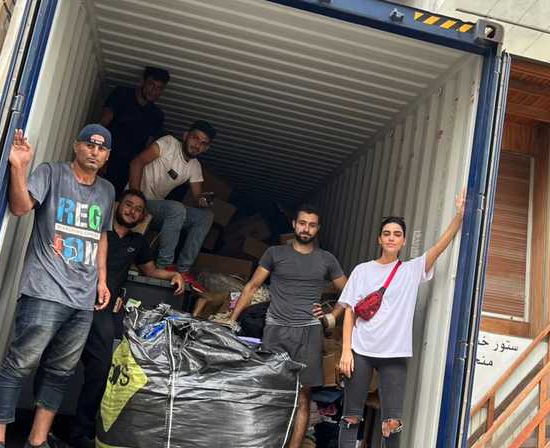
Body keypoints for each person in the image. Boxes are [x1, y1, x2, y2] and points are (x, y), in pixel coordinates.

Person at [0, 125, 116, 448]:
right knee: (21, 363)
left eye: (101, 148)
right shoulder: (52, 173)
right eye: (89, 144)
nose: (94, 151)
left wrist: (101, 280)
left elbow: (101, 235)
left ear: (108, 155)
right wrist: (20, 166)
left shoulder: (108, 191)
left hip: (83, 299)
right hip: (45, 289)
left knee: (60, 372)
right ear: (76, 146)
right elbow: (19, 207)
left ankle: (38, 440)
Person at [336, 191, 467, 448]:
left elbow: (440, 246)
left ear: (404, 241)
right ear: (379, 239)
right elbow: (350, 311)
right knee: (351, 417)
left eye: (397, 234)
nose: (391, 238)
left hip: (394, 354)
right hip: (360, 351)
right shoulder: (362, 270)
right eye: (387, 233)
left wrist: (460, 215)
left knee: (392, 422)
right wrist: (345, 351)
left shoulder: (411, 270)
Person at [69, 189, 185, 448]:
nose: (132, 211)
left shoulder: (139, 242)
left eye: (138, 209)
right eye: (128, 205)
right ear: (118, 206)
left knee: (100, 370)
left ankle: (80, 433)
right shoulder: (98, 230)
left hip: (104, 310)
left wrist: (174, 276)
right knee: (58, 363)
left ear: (143, 216)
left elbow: (151, 270)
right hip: (75, 302)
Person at [229, 205, 347, 448]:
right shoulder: (274, 253)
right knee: (268, 392)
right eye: (302, 223)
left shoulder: (327, 260)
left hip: (309, 333)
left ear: (318, 229)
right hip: (275, 330)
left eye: (312, 224)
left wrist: (331, 317)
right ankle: (261, 442)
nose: (306, 228)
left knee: (302, 397)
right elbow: (251, 286)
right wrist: (231, 320)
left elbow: (349, 292)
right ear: (294, 224)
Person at [128, 120, 216, 283]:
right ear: (185, 136)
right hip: (138, 202)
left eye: (203, 143)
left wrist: (203, 200)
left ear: (206, 148)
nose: (197, 145)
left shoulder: (195, 166)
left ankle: (183, 269)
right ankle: (164, 267)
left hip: (156, 210)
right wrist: (135, 198)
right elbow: (137, 162)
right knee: (176, 209)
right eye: (195, 138)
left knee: (205, 217)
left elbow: (197, 197)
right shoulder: (168, 143)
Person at [100, 66, 169, 193]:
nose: (154, 91)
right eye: (151, 85)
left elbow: (147, 149)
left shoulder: (157, 116)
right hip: (105, 159)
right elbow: (103, 125)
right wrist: (101, 157)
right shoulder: (122, 94)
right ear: (142, 82)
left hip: (126, 170)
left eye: (159, 88)